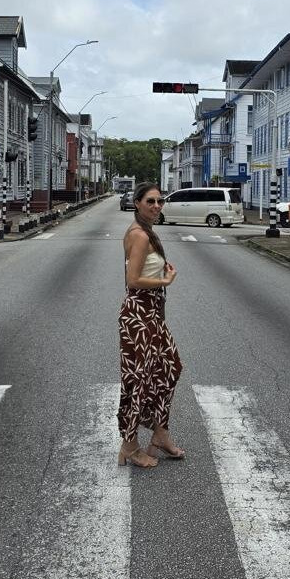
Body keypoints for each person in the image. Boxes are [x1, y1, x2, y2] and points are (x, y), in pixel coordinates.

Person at [117, 182, 184, 468]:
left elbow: (142, 270)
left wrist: (160, 273)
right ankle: (130, 446)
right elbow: (133, 281)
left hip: (152, 314)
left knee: (170, 368)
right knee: (139, 381)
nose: (156, 206)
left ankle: (160, 434)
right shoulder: (140, 236)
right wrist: (165, 281)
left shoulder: (146, 232)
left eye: (160, 201)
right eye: (150, 201)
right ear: (137, 203)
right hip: (139, 315)